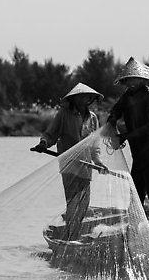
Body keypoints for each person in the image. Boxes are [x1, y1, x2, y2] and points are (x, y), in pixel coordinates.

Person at [31, 82, 106, 240]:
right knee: (72, 203)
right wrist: (43, 143)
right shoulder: (64, 114)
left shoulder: (92, 118)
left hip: (86, 167)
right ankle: (71, 237)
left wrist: (98, 162)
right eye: (81, 96)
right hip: (70, 166)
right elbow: (51, 133)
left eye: (87, 97)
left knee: (84, 205)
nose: (84, 99)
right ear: (74, 98)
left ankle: (75, 234)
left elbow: (95, 145)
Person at [106, 57, 149, 234]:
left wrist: (126, 135)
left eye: (134, 79)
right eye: (128, 80)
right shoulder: (127, 96)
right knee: (136, 197)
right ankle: (134, 233)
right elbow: (116, 110)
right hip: (138, 155)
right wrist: (112, 121)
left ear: (141, 79)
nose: (131, 82)